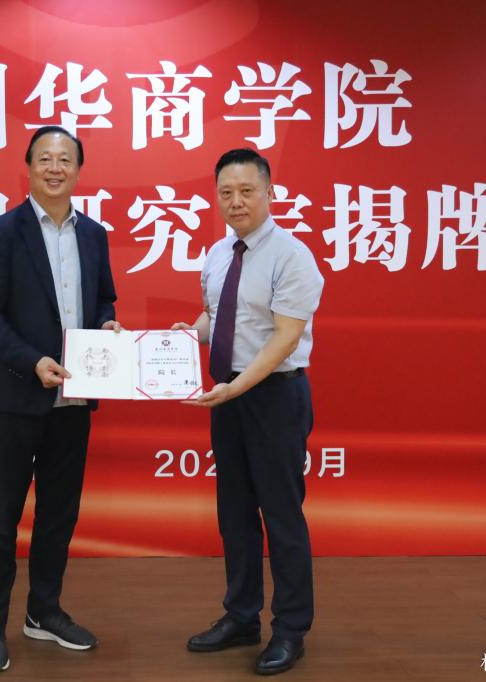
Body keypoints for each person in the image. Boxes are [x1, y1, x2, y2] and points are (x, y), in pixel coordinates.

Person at [0, 125, 120, 673]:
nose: (55, 168)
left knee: (58, 515)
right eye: (45, 159)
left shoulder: (94, 235)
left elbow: (104, 300)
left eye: (65, 160)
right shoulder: (2, 233)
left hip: (74, 400)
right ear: (29, 166)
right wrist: (32, 361)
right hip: (16, 397)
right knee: (2, 517)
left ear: (79, 170)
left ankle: (44, 611)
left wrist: (107, 325)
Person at [173, 148, 323, 676]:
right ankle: (241, 616)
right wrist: (182, 337)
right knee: (234, 513)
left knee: (281, 515)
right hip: (229, 396)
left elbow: (284, 340)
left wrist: (235, 388)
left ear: (269, 193)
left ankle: (291, 628)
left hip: (275, 396)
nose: (235, 201)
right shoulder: (218, 254)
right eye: (226, 193)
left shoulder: (292, 256)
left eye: (246, 191)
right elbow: (216, 316)